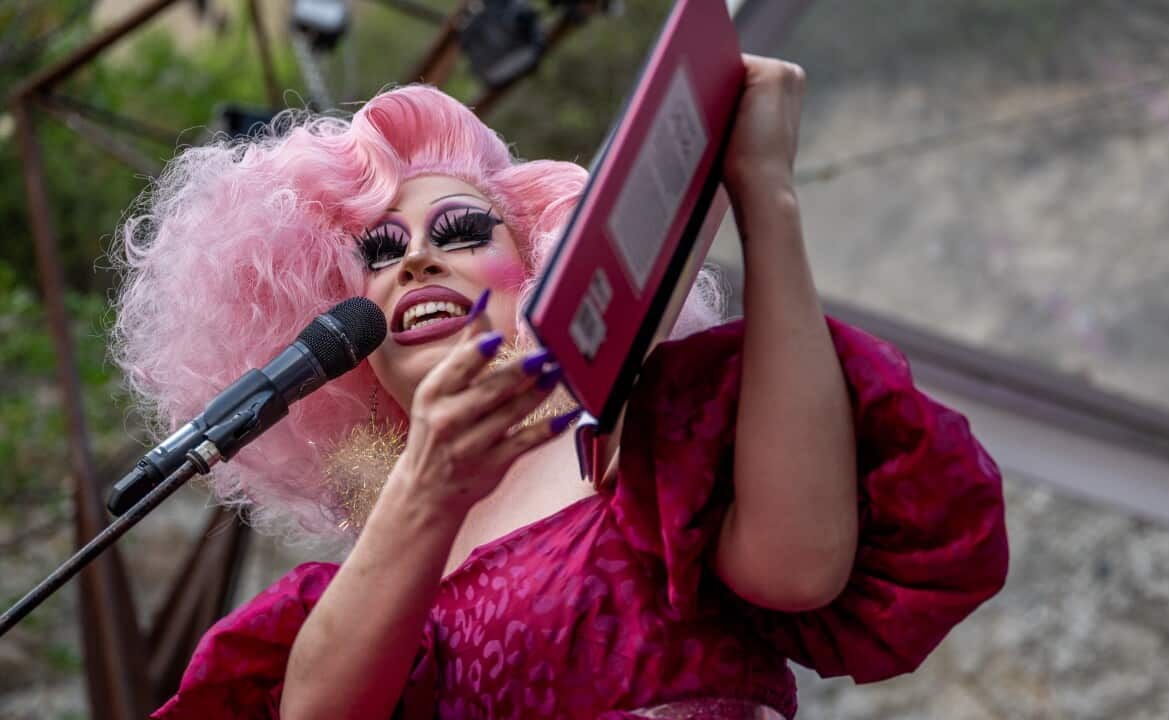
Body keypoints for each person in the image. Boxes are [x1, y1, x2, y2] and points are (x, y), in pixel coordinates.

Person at [112, 55, 1008, 720]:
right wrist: (426, 487)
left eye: (462, 231)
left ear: (538, 264)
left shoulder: (652, 439)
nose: (417, 257)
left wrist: (763, 190)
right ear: (344, 339)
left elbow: (799, 568)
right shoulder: (363, 585)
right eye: (375, 256)